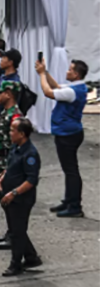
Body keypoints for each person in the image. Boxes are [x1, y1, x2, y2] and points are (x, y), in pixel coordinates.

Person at [37, 57, 88, 218]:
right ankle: (69, 200)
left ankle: (75, 206)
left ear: (76, 74)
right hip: (71, 132)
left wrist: (41, 75)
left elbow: (48, 92)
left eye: (70, 70)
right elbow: (57, 87)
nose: (67, 71)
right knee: (69, 170)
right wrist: (45, 71)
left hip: (67, 134)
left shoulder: (72, 91)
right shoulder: (77, 87)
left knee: (71, 171)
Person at [0, 118, 44, 277]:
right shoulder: (15, 147)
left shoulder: (30, 154)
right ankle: (31, 257)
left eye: (12, 130)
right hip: (9, 196)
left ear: (22, 134)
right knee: (17, 229)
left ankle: (15, 264)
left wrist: (14, 193)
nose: (10, 133)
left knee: (17, 232)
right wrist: (0, 181)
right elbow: (10, 168)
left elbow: (31, 180)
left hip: (21, 199)